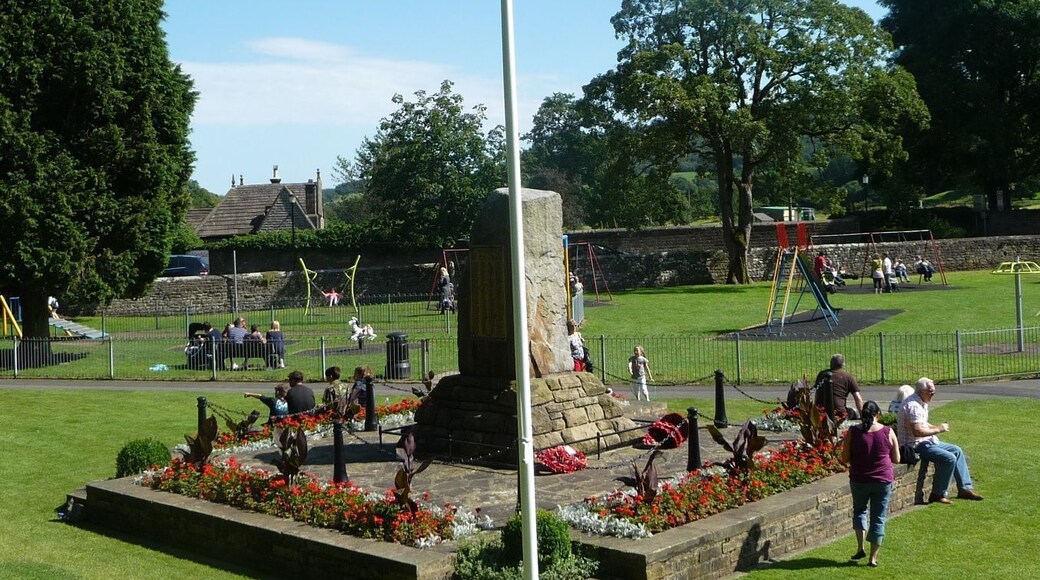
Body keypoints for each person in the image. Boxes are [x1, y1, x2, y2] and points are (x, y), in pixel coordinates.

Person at [897, 377, 983, 504]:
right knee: (949, 458)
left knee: (957, 450)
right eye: (931, 391)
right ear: (921, 391)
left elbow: (922, 423)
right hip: (914, 446)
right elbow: (917, 431)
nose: (933, 394)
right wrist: (938, 429)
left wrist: (933, 426)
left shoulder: (921, 402)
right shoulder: (913, 406)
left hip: (925, 441)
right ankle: (937, 494)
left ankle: (965, 489)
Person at [841, 400, 899, 568]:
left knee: (859, 511)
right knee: (878, 517)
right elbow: (897, 459)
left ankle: (860, 547)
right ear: (878, 414)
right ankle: (873, 558)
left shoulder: (853, 432)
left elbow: (844, 458)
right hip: (882, 480)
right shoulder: (888, 431)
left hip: (859, 479)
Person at [814, 354, 864, 420]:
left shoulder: (822, 374)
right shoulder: (848, 377)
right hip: (839, 413)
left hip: (821, 411)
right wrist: (863, 416)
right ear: (843, 364)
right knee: (853, 412)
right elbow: (858, 398)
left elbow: (817, 395)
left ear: (831, 363)